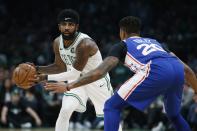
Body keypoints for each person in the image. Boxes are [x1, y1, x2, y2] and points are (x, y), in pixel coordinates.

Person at [45, 16, 197, 131]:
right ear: (139, 32)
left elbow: (99, 72)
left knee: (111, 106)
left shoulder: (122, 45)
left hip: (155, 70)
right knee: (174, 114)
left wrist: (68, 86)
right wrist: (196, 91)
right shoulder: (157, 43)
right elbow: (187, 70)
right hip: (176, 70)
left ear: (122, 32)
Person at [27, 9, 122, 131]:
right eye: (64, 24)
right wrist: (37, 69)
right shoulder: (57, 42)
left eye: (70, 25)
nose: (67, 27)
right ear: (59, 26)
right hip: (76, 80)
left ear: (76, 26)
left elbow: (74, 72)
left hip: (95, 79)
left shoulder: (85, 44)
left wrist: (44, 77)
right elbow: (59, 67)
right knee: (65, 110)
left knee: (110, 114)